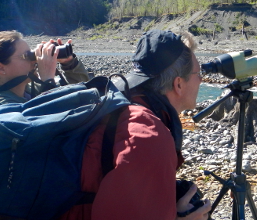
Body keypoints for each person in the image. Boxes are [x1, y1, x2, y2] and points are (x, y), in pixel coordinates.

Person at [59, 29, 211, 220]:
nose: (202, 79)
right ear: (178, 84)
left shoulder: (122, 104)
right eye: (199, 73)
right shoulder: (149, 136)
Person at [0, 30, 89, 119]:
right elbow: (45, 127)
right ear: (0, 67)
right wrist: (47, 81)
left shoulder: (27, 91)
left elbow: (81, 96)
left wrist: (69, 65)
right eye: (26, 56)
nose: (34, 60)